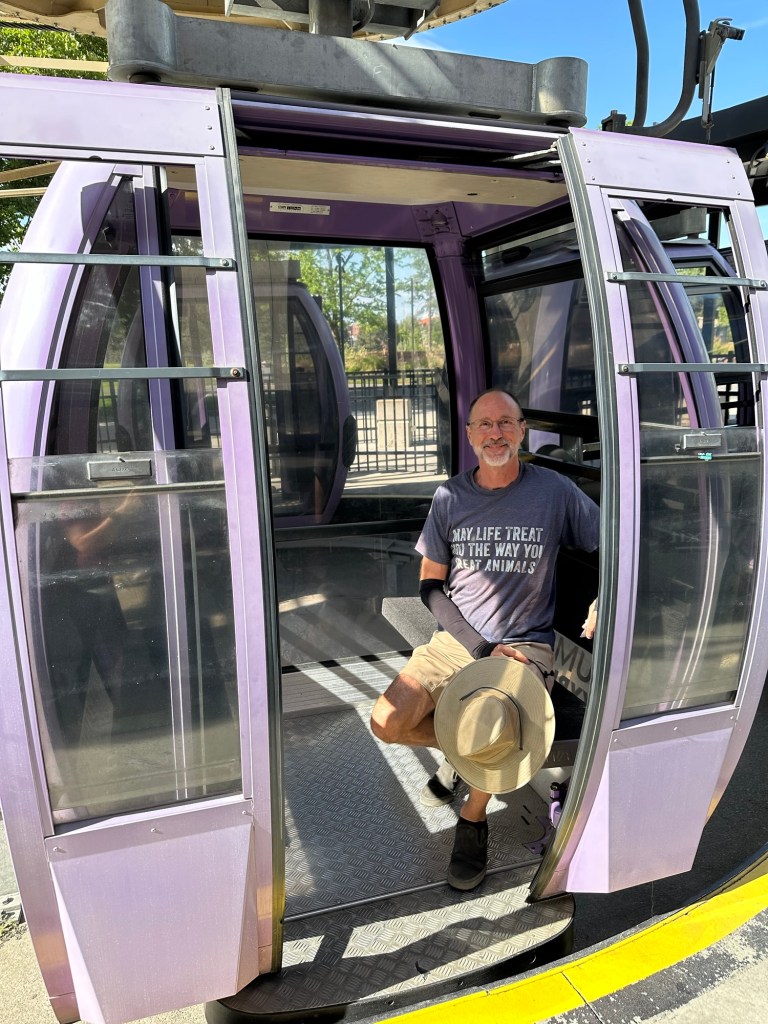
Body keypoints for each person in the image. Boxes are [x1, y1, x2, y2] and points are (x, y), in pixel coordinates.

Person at [370, 388, 599, 891]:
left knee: (495, 719)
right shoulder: (451, 497)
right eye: (484, 425)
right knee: (386, 720)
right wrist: (476, 646)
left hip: (525, 642)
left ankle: (472, 820)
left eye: (506, 423)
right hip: (456, 640)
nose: (496, 433)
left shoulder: (555, 491)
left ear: (521, 432)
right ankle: (466, 748)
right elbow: (430, 585)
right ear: (471, 436)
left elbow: (615, 541)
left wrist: (604, 597)